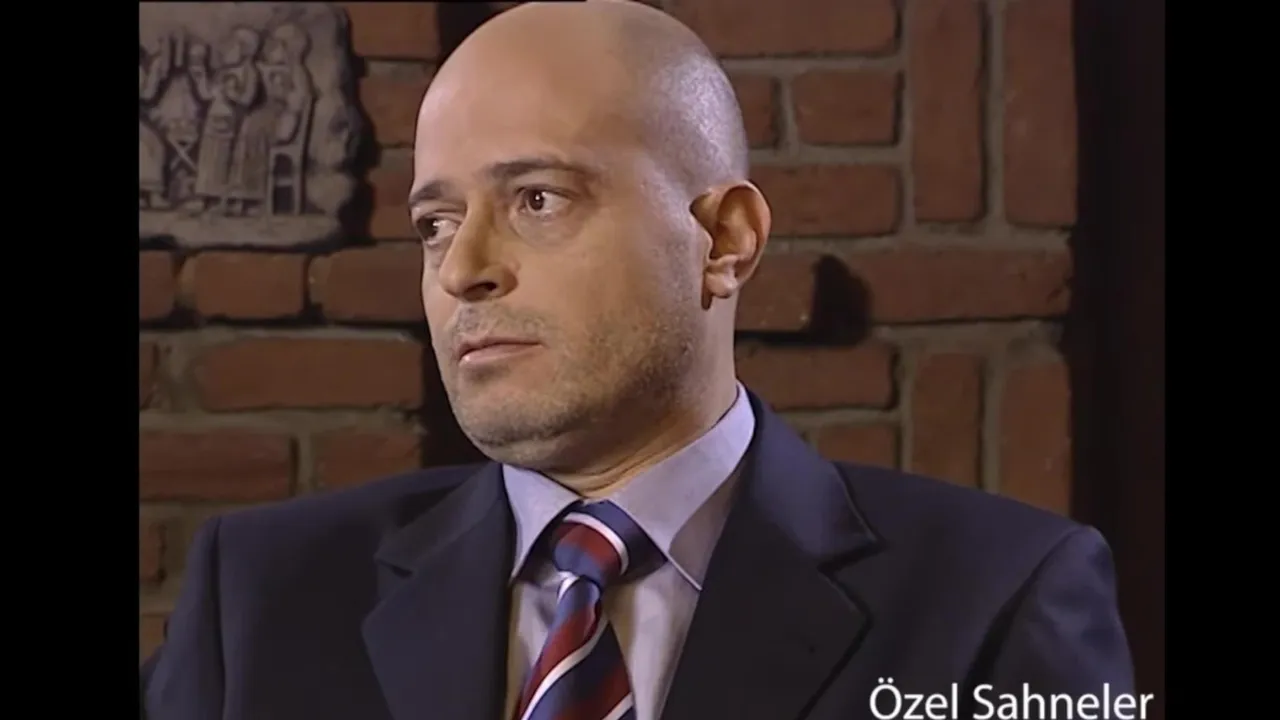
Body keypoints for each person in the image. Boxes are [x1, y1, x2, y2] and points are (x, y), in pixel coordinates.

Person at [141, 2, 1138, 719]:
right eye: (435, 222)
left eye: (537, 199)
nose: (462, 270)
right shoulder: (261, 597)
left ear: (725, 240)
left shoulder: (1002, 597)